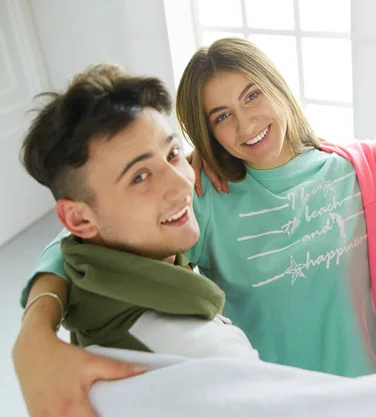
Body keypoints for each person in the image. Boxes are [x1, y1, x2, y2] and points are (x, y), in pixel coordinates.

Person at [12, 34, 376, 417]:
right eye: (220, 116)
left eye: (252, 96)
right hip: (274, 398)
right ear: (204, 130)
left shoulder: (357, 168)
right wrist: (35, 335)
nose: (245, 123)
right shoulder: (198, 195)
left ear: (277, 90)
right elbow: (80, 238)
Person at [18, 64, 258, 361]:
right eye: (140, 177)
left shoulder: (93, 260)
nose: (182, 184)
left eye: (172, 154)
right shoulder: (206, 349)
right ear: (79, 219)